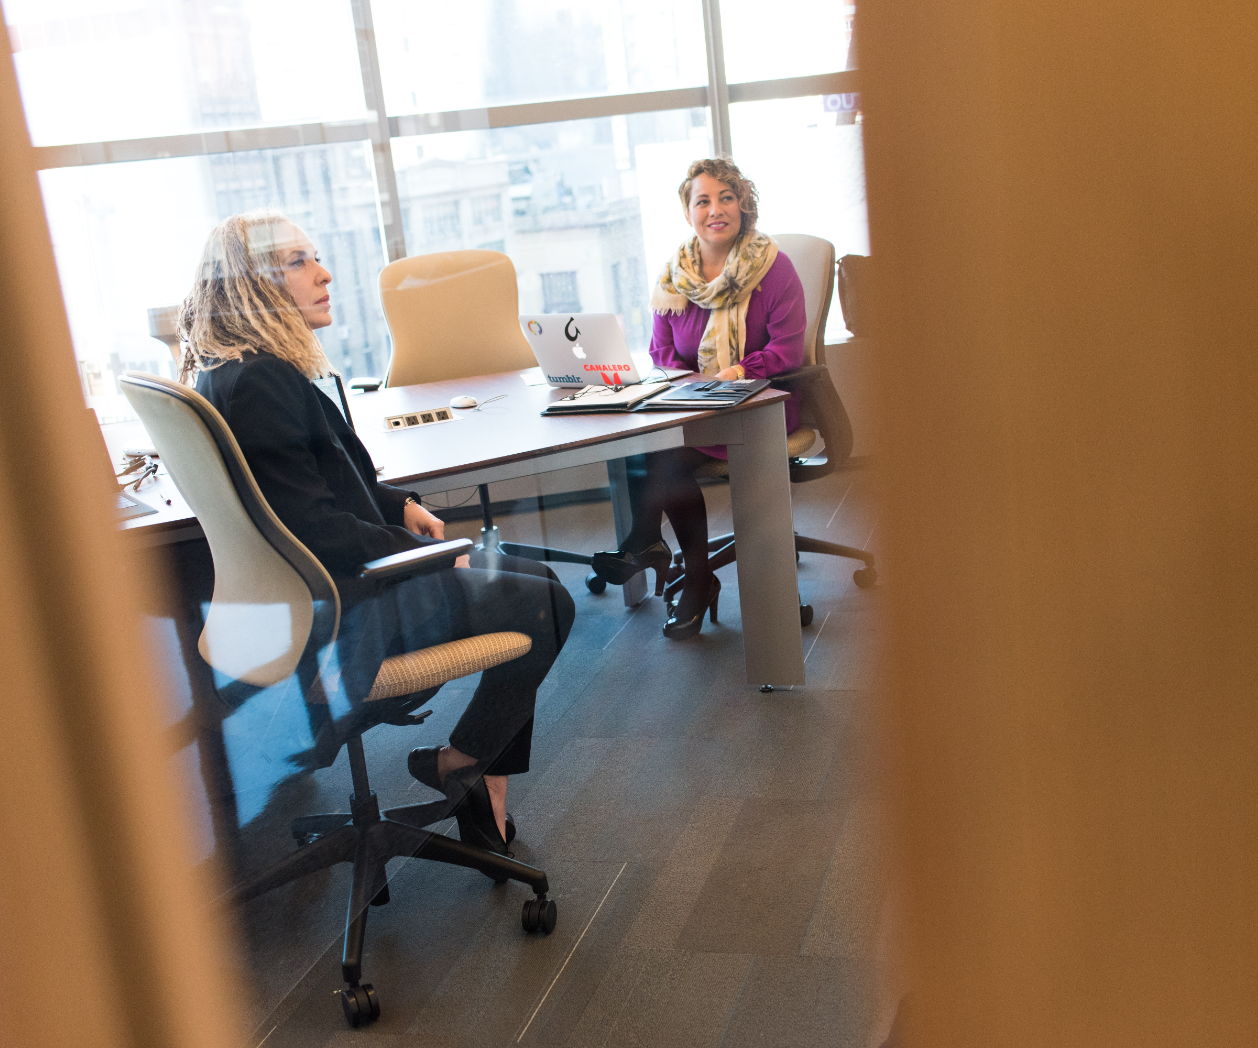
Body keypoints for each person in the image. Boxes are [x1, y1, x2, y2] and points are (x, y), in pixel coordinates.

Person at [178, 209, 573, 855]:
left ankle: (476, 777)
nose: (324, 273)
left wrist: (397, 505)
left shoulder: (230, 374)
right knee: (544, 601)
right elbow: (314, 527)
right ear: (253, 282)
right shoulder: (263, 385)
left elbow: (304, 489)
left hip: (322, 593)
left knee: (536, 584)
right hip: (353, 603)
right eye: (299, 262)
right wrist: (431, 555)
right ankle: (464, 768)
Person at [591, 158, 806, 639]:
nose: (715, 210)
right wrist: (689, 384)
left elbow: (787, 349)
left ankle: (670, 562)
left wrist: (733, 373)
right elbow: (661, 351)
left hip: (761, 403)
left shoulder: (772, 268)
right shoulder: (675, 274)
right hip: (695, 402)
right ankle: (689, 570)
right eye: (702, 201)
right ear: (688, 212)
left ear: (743, 206)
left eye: (726, 198)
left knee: (664, 455)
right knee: (646, 444)